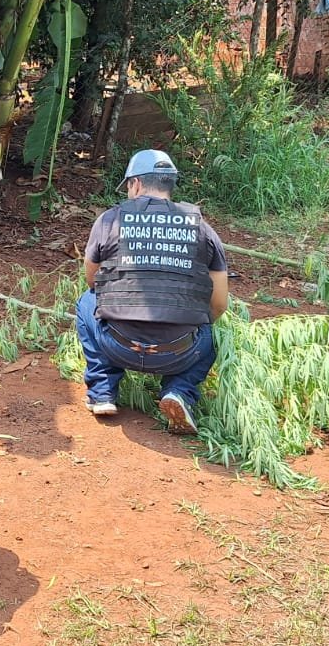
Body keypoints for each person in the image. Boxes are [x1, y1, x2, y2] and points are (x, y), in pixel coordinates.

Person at [77, 149, 229, 434]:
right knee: (208, 330)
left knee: (87, 301)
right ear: (169, 185)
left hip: (118, 344)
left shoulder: (110, 220)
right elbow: (219, 304)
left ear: (134, 184)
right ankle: (180, 391)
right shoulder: (203, 229)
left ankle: (102, 392)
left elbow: (92, 280)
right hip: (179, 352)